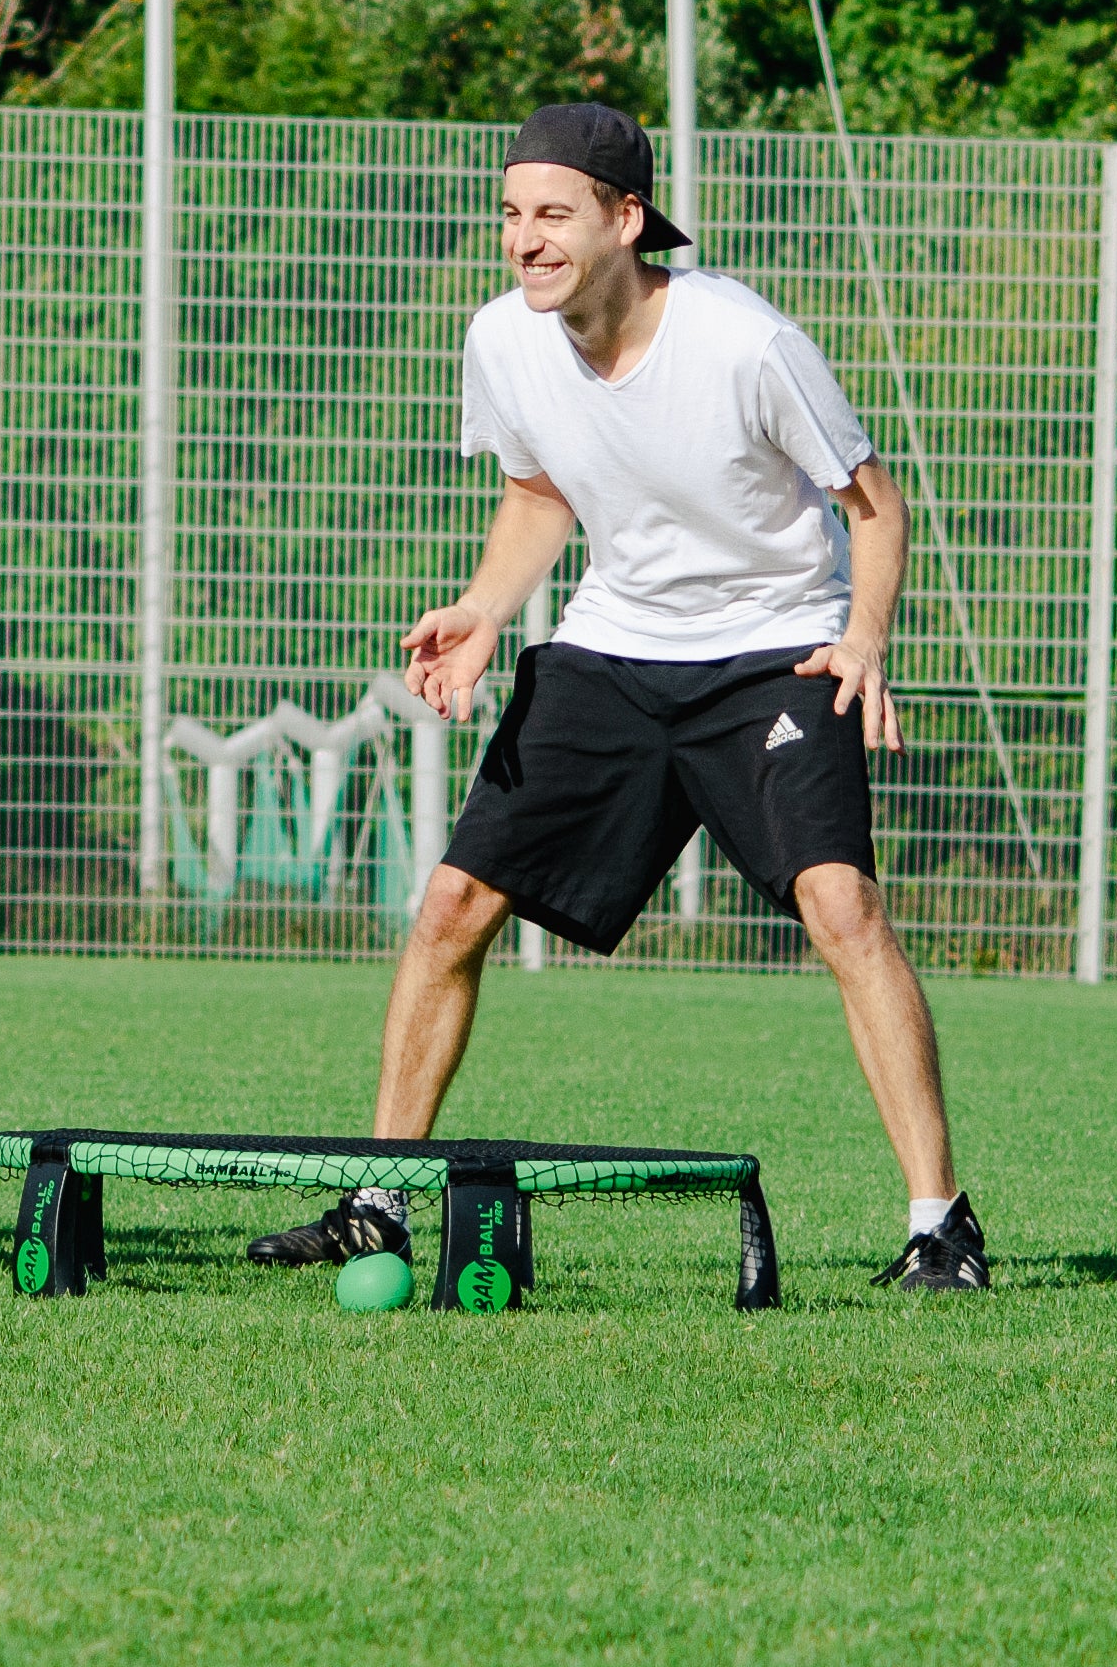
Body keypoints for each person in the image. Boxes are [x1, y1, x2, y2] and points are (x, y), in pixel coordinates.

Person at [242, 99, 989, 1295]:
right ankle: (376, 1199)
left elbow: (873, 506)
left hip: (772, 656)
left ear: (626, 219)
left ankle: (938, 1225)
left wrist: (862, 638)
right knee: (448, 909)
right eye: (509, 215)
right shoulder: (502, 340)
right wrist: (486, 611)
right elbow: (541, 491)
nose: (523, 239)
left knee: (840, 907)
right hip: (611, 651)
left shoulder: (744, 342)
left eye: (552, 214)